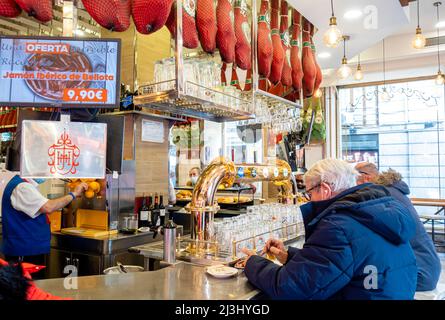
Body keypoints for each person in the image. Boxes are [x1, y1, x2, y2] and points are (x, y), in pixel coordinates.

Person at [242, 158, 417, 300]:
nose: (309, 200)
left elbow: (290, 288)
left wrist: (252, 262)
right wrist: (288, 256)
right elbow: (338, 264)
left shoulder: (337, 225)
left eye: (309, 193)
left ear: (325, 189)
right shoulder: (374, 210)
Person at [356, 165, 441, 292]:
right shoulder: (393, 191)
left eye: (353, 177)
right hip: (428, 268)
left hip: (418, 273)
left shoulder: (382, 195)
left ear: (365, 177)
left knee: (355, 284)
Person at [1, 176, 88, 278]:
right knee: (27, 290)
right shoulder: (22, 187)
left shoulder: (26, 185)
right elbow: (48, 207)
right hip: (24, 251)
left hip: (30, 250)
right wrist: (73, 194)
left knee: (34, 288)